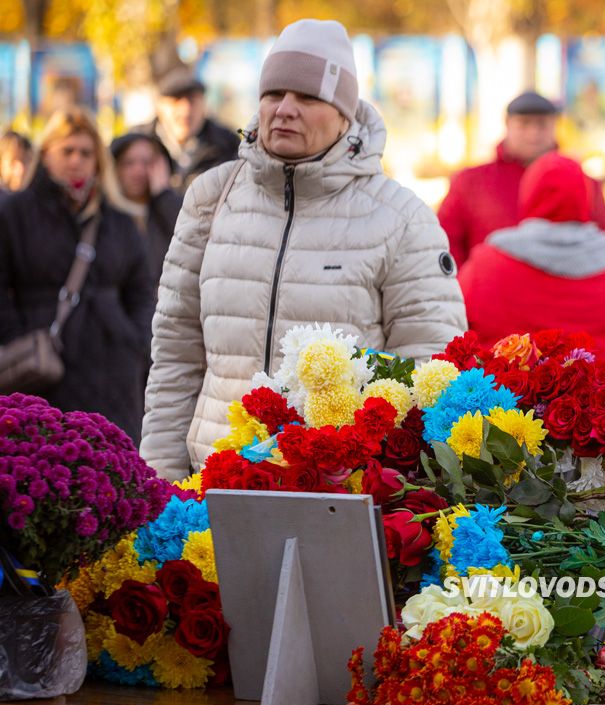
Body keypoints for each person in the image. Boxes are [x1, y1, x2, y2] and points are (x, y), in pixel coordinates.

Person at [140, 19, 466, 479]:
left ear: (344, 115)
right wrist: (161, 478)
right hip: (211, 481)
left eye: (308, 97)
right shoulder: (211, 197)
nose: (285, 109)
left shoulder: (400, 218)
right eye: (274, 94)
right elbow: (176, 355)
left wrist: (393, 491)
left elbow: (432, 369)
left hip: (339, 490)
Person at [0, 107, 154, 440]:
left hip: (113, 376)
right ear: (46, 154)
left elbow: (142, 291)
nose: (76, 161)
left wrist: (135, 341)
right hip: (41, 373)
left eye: (85, 153)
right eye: (66, 150)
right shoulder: (15, 213)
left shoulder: (119, 220)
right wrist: (18, 339)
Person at [459, 153, 605, 359]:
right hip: (597, 389)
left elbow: (456, 321)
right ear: (585, 196)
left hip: (504, 388)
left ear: (528, 192)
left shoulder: (487, 262)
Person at [437, 90, 605, 268]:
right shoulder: (471, 182)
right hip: (489, 292)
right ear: (508, 124)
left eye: (541, 124)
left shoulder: (582, 183)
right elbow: (444, 244)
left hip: (565, 294)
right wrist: (466, 286)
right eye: (524, 124)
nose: (533, 133)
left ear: (554, 126)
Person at [131, 39, 240, 192]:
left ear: (203, 103)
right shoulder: (136, 144)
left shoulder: (228, 145)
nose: (185, 110)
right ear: (160, 105)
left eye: (192, 100)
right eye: (176, 100)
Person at [111, 132, 183, 285]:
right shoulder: (106, 215)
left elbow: (189, 235)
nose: (138, 171)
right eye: (128, 163)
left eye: (147, 163)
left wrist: (163, 195)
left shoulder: (170, 208)